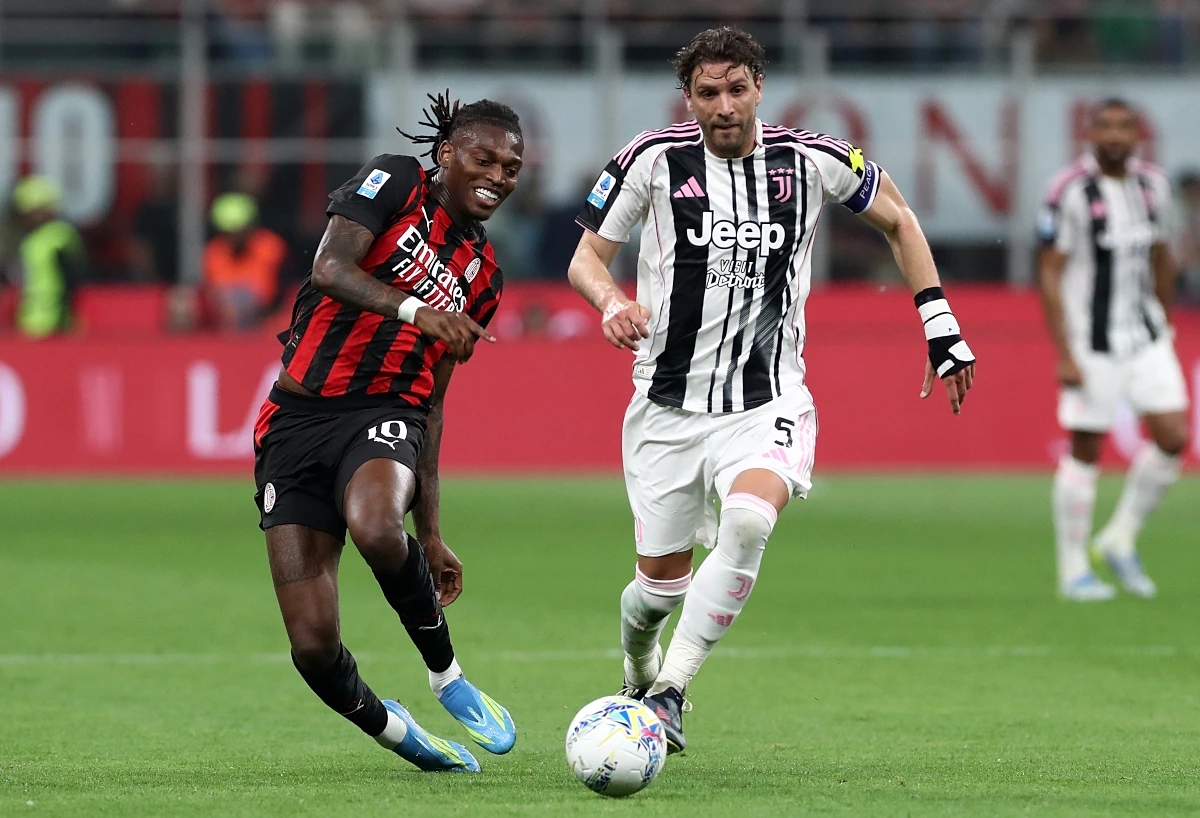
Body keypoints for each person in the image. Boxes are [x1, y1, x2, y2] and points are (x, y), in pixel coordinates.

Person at [567, 26, 976, 754]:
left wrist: (940, 325)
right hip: (666, 408)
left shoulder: (813, 160)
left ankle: (670, 692)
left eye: (736, 89)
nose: (723, 106)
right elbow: (587, 258)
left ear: (759, 87)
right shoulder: (651, 160)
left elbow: (900, 218)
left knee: (751, 521)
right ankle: (639, 664)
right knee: (656, 593)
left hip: (767, 402)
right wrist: (610, 302)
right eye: (707, 93)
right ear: (687, 97)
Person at [252, 93, 522, 772]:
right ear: (446, 154)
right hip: (294, 423)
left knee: (377, 527)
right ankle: (399, 733)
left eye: (511, 167)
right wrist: (416, 311)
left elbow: (434, 404)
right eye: (483, 158)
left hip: (384, 412)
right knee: (313, 645)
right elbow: (329, 268)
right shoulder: (395, 181)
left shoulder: (485, 278)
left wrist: (429, 531)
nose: (497, 176)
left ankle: (447, 676)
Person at [1037, 98, 1190, 602]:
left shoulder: (1154, 186)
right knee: (1086, 448)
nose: (1115, 136)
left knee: (1173, 436)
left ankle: (1119, 537)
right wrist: (1065, 351)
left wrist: (1163, 319)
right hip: (1092, 339)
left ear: (1137, 134)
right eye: (1105, 126)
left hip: (1145, 334)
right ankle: (1073, 570)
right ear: (1090, 134)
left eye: (1125, 127)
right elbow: (1050, 270)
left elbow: (1162, 255)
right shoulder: (1068, 190)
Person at [10, 176, 86, 338]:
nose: (28, 216)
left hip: (53, 322)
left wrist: (64, 318)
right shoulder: (33, 238)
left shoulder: (60, 236)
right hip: (32, 320)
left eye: (33, 211)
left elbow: (72, 279)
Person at [202, 192, 288, 330]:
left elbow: (278, 294)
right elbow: (211, 295)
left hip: (266, 322)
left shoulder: (270, 248)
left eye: (240, 230)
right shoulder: (214, 253)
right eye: (229, 231)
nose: (235, 236)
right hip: (224, 326)